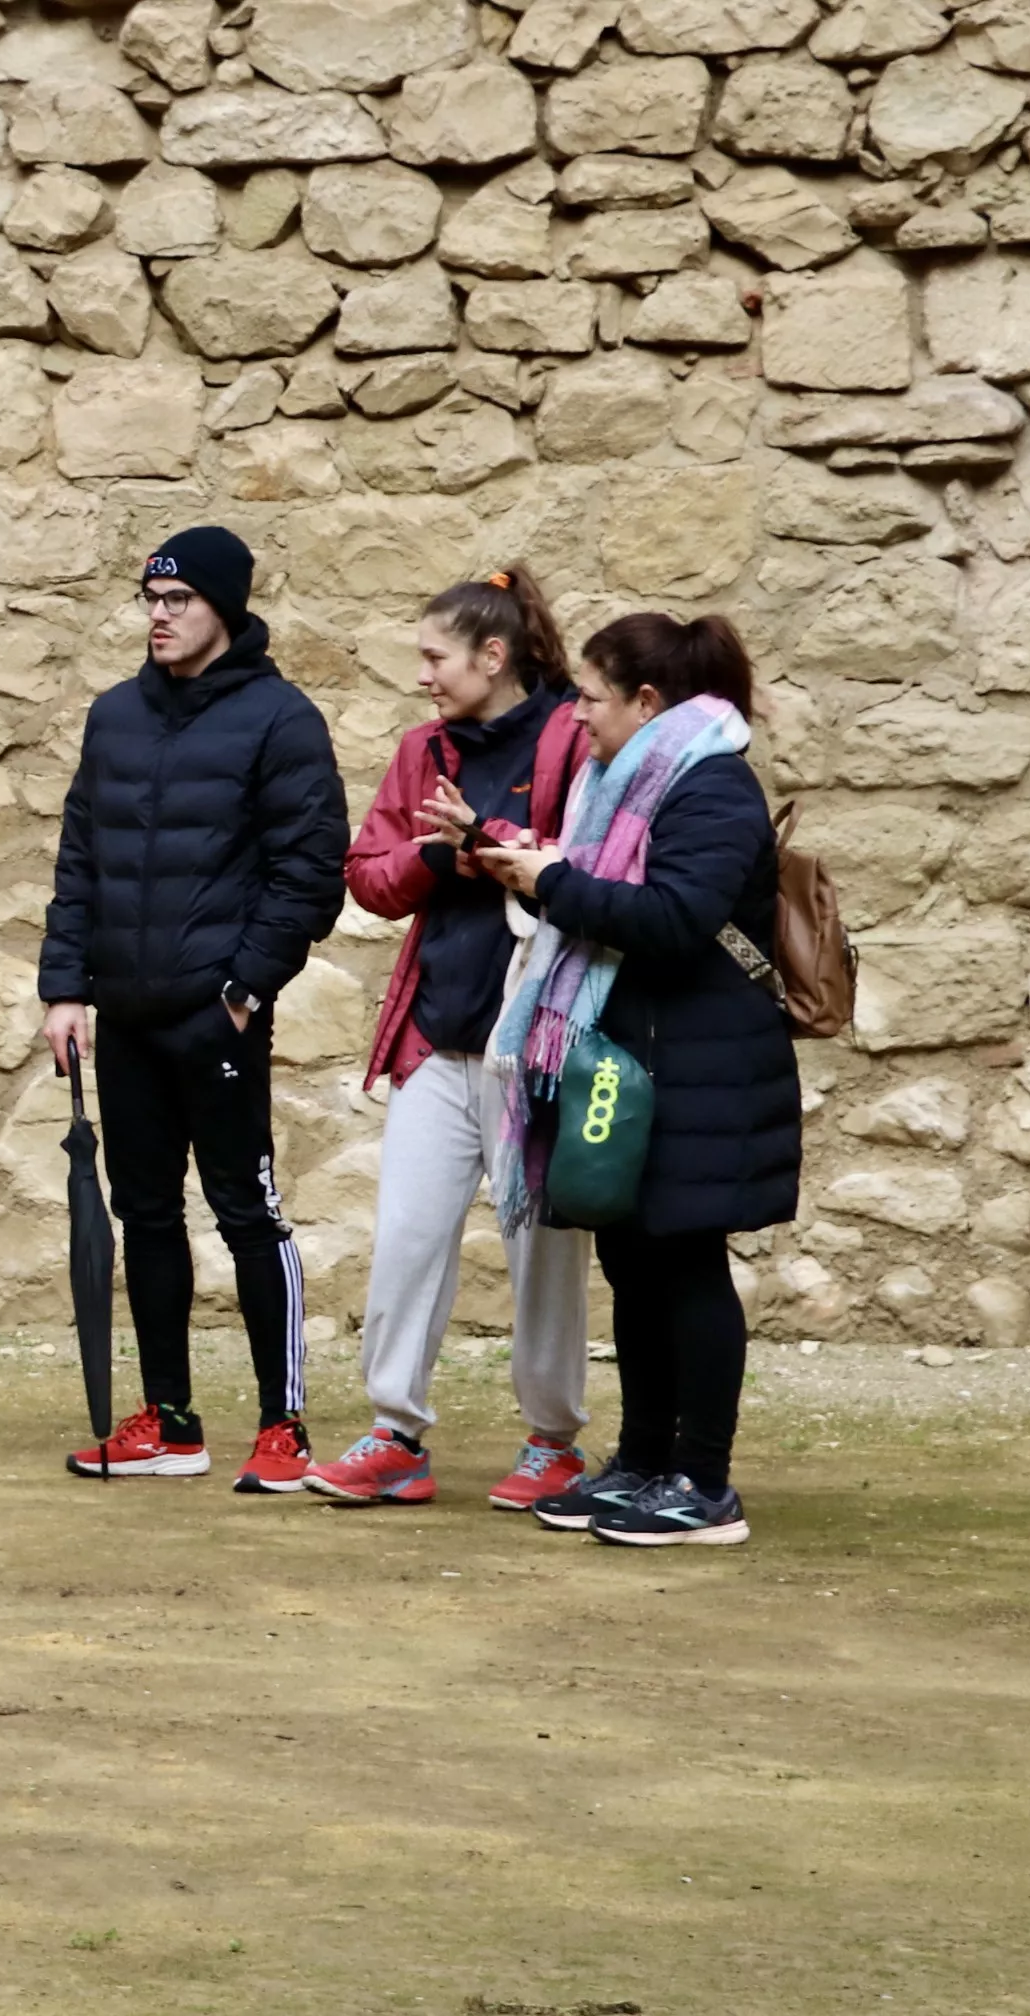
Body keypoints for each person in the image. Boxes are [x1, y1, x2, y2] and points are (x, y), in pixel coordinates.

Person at [467, 611, 798, 1548]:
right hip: (639, 1065)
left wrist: (550, 884)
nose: (578, 716)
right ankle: (645, 1464)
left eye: (593, 697)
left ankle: (704, 1483)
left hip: (702, 1069)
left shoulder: (711, 788)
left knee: (687, 1268)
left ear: (646, 703)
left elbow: (676, 917)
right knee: (635, 1263)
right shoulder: (626, 785)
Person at [38, 524, 349, 1492]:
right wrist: (63, 985)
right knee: (145, 1215)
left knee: (246, 1211)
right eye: (151, 600)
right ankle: (172, 1422)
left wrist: (245, 990)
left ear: (224, 607)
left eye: (178, 601)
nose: (159, 616)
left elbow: (310, 874)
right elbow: (80, 858)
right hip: (123, 1017)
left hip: (214, 1016)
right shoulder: (114, 717)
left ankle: (282, 1425)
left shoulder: (280, 719)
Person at [305, 568, 597, 1513]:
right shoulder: (420, 748)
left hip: (534, 1039)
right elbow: (369, 875)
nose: (424, 675)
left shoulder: (569, 735)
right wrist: (441, 852)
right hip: (436, 1034)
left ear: (493, 656)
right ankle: (396, 1436)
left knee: (542, 1250)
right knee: (407, 1239)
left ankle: (553, 1442)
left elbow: (583, 865)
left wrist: (493, 834)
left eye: (436, 657)